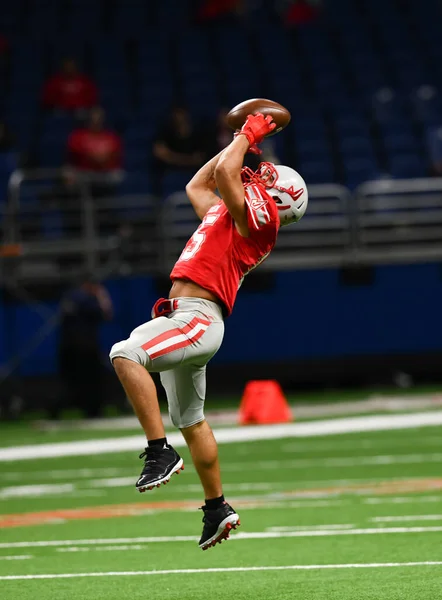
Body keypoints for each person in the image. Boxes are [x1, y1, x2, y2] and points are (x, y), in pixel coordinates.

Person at [109, 113, 308, 550]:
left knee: (125, 353)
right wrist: (237, 142)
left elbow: (223, 173)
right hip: (190, 317)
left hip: (196, 317)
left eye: (265, 176)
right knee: (192, 420)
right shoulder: (230, 216)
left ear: (277, 199)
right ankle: (217, 507)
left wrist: (246, 136)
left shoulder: (261, 222)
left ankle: (159, 451)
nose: (255, 175)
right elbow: (198, 185)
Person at [56, 276, 113, 419]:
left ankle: (58, 410)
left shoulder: (69, 296)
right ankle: (91, 410)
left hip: (68, 346)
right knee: (90, 380)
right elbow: (105, 314)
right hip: (85, 347)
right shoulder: (87, 299)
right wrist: (102, 296)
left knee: (70, 381)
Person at [67, 106, 123, 197]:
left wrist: (101, 158)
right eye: (94, 117)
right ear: (89, 118)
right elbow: (76, 155)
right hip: (84, 173)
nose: (96, 121)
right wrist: (95, 157)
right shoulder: (78, 136)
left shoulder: (112, 137)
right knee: (69, 175)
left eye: (99, 118)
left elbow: (116, 156)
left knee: (119, 176)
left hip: (106, 173)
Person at [152, 105, 207, 193]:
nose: (179, 117)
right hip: (169, 172)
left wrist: (172, 157)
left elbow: (199, 159)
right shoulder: (165, 132)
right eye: (177, 114)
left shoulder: (198, 133)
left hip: (194, 172)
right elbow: (160, 153)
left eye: (181, 114)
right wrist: (188, 160)